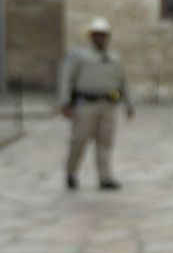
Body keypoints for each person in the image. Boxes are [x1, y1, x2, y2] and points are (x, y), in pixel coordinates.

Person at [58, 16, 135, 190]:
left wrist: (129, 104)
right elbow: (67, 78)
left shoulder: (114, 57)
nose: (100, 38)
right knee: (79, 140)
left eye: (104, 34)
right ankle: (71, 172)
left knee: (105, 142)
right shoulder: (79, 55)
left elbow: (123, 81)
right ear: (91, 36)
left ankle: (105, 177)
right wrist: (65, 102)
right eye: (97, 34)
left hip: (108, 104)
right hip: (86, 104)